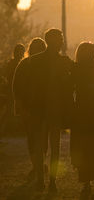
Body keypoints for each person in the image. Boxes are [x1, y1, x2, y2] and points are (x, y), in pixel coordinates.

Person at [13, 29, 73, 194]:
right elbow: (79, 76)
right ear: (53, 41)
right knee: (55, 147)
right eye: (60, 39)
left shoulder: (32, 61)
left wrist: (21, 106)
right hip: (54, 109)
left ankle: (41, 179)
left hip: (37, 109)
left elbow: (18, 84)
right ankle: (52, 181)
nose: (62, 42)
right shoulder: (64, 62)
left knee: (39, 146)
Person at [70, 41, 94, 196]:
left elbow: (68, 89)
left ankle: (86, 179)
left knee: (82, 146)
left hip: (80, 113)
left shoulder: (75, 71)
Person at [13, 37, 47, 182]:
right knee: (40, 138)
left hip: (32, 108)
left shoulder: (24, 64)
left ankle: (37, 165)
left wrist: (20, 107)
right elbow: (17, 88)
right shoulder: (43, 65)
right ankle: (38, 165)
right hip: (38, 108)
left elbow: (16, 87)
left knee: (34, 138)